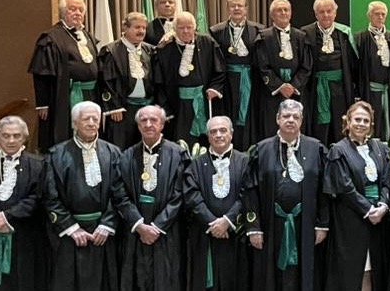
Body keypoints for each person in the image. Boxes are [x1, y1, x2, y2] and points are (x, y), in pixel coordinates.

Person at [43, 101, 129, 291]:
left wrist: (107, 225)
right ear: (75, 123)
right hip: (70, 234)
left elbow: (120, 193)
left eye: (95, 119)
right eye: (86, 119)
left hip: (104, 233)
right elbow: (50, 197)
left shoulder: (114, 153)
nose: (91, 123)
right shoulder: (56, 155)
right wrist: (72, 228)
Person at [244, 100, 329, 291]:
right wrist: (254, 227)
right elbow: (250, 191)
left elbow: (325, 190)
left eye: (295, 117)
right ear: (277, 118)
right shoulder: (261, 150)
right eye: (286, 116)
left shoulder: (316, 149)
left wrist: (322, 224)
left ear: (302, 120)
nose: (290, 120)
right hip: (271, 224)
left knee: (303, 273)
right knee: (272, 274)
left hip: (305, 224)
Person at [116, 105, 189, 290]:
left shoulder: (179, 155)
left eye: (154, 120)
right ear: (138, 126)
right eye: (144, 120)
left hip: (166, 232)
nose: (148, 124)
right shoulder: (126, 156)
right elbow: (120, 193)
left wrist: (157, 226)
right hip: (136, 232)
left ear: (162, 124)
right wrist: (139, 225)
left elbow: (180, 194)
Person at [0, 116, 46, 291]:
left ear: (24, 137)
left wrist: (7, 216)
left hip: (24, 234)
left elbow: (37, 196)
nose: (11, 140)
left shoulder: (38, 164)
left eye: (16, 136)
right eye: (6, 135)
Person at [324, 101, 390, 291]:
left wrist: (383, 206)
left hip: (378, 219)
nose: (361, 124)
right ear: (348, 122)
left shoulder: (380, 148)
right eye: (357, 119)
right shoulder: (338, 150)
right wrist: (368, 210)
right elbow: (345, 187)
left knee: (375, 270)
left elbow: (387, 181)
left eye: (366, 120)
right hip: (351, 220)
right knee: (355, 270)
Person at [185, 116, 252, 291]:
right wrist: (212, 223)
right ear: (208, 136)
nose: (218, 135)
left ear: (231, 133)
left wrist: (227, 221)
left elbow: (248, 194)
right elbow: (191, 196)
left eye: (223, 130)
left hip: (236, 235)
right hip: (205, 235)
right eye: (213, 132)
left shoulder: (245, 162)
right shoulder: (195, 164)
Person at [29, 0, 101, 150]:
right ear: (63, 12)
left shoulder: (86, 36)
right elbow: (41, 73)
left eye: (80, 10)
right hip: (65, 96)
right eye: (72, 9)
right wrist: (42, 103)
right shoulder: (52, 37)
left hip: (91, 94)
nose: (77, 13)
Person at [153, 11, 228, 147]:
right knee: (182, 139)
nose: (186, 31)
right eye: (181, 28)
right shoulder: (164, 48)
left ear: (195, 27)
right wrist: (165, 108)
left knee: (205, 139)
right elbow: (159, 83)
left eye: (189, 27)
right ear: (174, 29)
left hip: (204, 100)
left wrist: (214, 88)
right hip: (178, 104)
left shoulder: (207, 42)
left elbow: (219, 69)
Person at [253, 0, 314, 148]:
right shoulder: (264, 37)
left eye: (286, 9)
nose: (283, 13)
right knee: (272, 127)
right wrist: (280, 86)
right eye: (279, 10)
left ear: (291, 13)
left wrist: (294, 86)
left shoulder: (301, 36)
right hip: (272, 93)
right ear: (272, 15)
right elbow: (262, 66)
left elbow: (307, 65)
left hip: (296, 92)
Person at [210, 0, 267, 147]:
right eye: (232, 5)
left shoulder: (259, 30)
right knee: (229, 116)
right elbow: (214, 60)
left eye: (240, 5)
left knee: (250, 118)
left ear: (246, 8)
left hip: (251, 81)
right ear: (227, 8)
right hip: (226, 83)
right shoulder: (216, 31)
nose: (236, 8)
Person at [301, 0, 360, 144]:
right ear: (316, 14)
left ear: (335, 12)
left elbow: (353, 64)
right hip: (317, 89)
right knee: (319, 126)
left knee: (340, 125)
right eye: (321, 12)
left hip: (340, 89)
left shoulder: (344, 33)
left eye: (329, 11)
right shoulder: (306, 33)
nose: (326, 15)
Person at [97, 12, 156, 148]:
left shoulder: (150, 50)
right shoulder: (111, 51)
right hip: (122, 110)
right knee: (121, 148)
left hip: (146, 108)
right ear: (125, 28)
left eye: (143, 28)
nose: (141, 31)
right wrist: (114, 107)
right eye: (137, 27)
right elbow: (105, 82)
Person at [354, 1, 390, 140]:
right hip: (369, 91)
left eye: (383, 14)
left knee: (389, 125)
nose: (380, 17)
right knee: (372, 124)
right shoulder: (360, 38)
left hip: (389, 92)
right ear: (369, 15)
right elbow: (355, 68)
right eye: (377, 14)